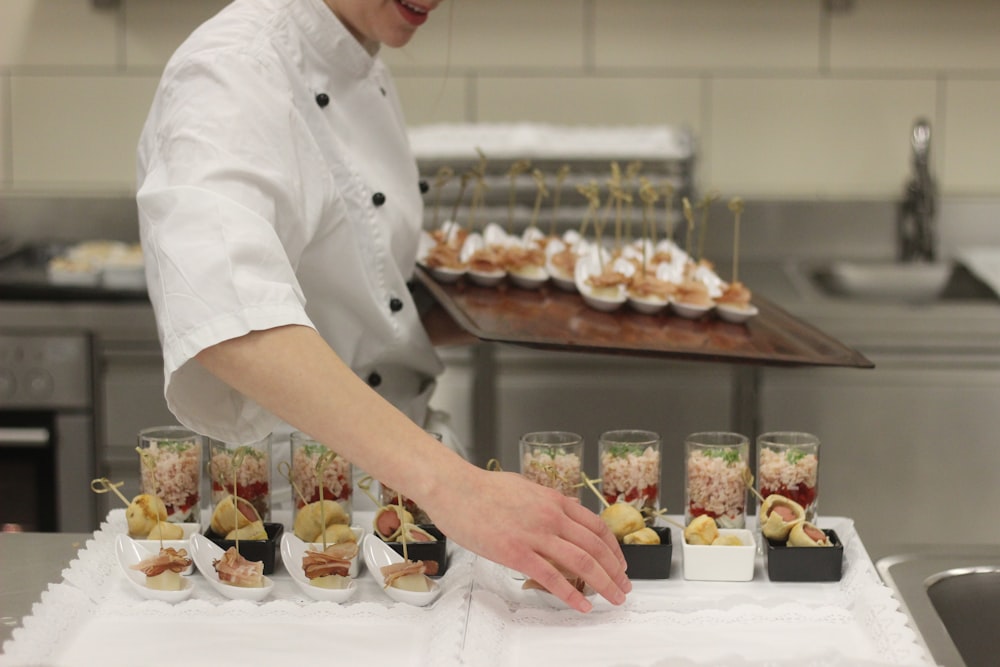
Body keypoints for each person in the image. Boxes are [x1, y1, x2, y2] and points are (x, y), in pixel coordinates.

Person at [135, 0, 630, 612]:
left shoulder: (356, 52)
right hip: (304, 520)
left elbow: (360, 290)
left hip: (396, 497)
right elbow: (227, 317)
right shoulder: (232, 70)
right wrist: (455, 487)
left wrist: (519, 316)